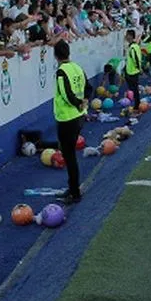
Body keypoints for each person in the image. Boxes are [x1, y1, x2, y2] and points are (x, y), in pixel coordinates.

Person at [54, 40, 90, 204]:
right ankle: (72, 187)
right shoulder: (77, 67)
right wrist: (85, 101)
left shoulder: (61, 72)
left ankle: (74, 192)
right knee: (70, 155)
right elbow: (88, 87)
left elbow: (66, 94)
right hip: (79, 116)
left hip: (67, 118)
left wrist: (77, 103)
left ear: (56, 56)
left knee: (69, 156)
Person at [124, 29, 142, 108]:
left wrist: (139, 69)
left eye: (127, 35)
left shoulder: (133, 47)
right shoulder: (132, 46)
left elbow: (136, 59)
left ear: (130, 36)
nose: (125, 37)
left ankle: (137, 105)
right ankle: (135, 103)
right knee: (133, 89)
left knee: (134, 89)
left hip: (133, 72)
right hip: (130, 71)